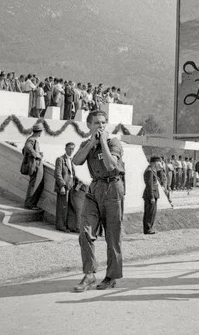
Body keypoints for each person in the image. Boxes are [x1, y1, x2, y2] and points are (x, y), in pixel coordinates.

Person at [72, 109, 125, 292]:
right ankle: (89, 273)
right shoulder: (87, 143)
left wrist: (102, 142)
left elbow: (111, 165)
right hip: (94, 189)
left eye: (103, 122)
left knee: (112, 235)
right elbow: (76, 161)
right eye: (96, 123)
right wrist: (92, 143)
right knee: (85, 231)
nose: (101, 126)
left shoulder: (113, 142)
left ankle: (111, 276)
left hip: (112, 188)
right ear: (89, 125)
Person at [54, 142, 79, 232]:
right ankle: (61, 226)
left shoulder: (71, 160)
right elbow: (57, 174)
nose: (71, 150)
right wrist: (62, 186)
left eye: (72, 149)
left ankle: (71, 226)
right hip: (64, 187)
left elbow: (72, 174)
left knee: (71, 207)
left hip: (71, 185)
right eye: (69, 148)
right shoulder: (60, 159)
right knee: (62, 207)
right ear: (65, 149)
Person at [21, 124, 44, 209]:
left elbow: (24, 150)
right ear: (39, 132)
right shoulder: (32, 139)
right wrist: (36, 155)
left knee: (34, 184)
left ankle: (30, 203)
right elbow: (27, 147)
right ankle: (29, 204)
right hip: (34, 165)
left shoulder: (32, 139)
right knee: (34, 185)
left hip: (35, 165)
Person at [143, 156, 160, 235]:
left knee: (152, 212)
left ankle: (149, 228)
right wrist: (151, 196)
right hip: (150, 194)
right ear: (154, 162)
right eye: (157, 162)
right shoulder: (149, 171)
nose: (158, 164)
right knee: (149, 212)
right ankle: (148, 228)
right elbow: (149, 185)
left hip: (154, 193)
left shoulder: (152, 170)